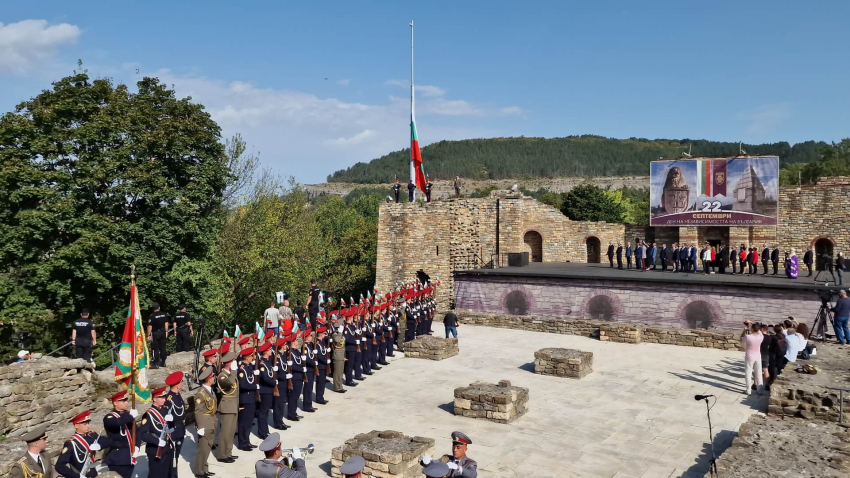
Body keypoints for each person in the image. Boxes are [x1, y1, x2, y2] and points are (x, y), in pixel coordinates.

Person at [56, 410, 110, 478]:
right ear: (76, 426)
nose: (88, 426)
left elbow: (108, 441)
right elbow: (59, 466)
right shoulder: (71, 443)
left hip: (93, 473)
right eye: (85, 424)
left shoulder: (91, 435)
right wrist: (77, 476)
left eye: (88, 423)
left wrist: (99, 445)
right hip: (80, 473)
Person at [137, 386, 176, 478]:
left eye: (164, 397)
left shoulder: (165, 409)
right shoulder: (148, 414)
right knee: (156, 474)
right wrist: (157, 441)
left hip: (167, 447)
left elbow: (171, 428)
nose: (164, 399)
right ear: (154, 399)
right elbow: (143, 434)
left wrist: (172, 421)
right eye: (161, 398)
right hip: (155, 449)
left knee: (167, 473)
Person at [103, 391, 138, 478]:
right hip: (117, 458)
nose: (126, 402)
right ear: (115, 403)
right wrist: (130, 416)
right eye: (123, 401)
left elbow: (137, 432)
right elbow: (117, 422)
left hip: (129, 456)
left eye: (126, 400)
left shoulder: (127, 415)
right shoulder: (109, 417)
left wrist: (137, 446)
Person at [193, 367, 218, 478]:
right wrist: (200, 426)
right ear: (208, 379)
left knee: (207, 448)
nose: (214, 378)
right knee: (203, 449)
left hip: (211, 421)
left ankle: (204, 469)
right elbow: (198, 411)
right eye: (212, 376)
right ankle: (199, 471)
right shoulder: (201, 393)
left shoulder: (209, 390)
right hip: (205, 423)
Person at [216, 349, 240, 462]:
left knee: (231, 432)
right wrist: (234, 371)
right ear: (229, 363)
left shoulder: (230, 374)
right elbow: (230, 383)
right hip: (226, 406)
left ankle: (228, 452)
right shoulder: (222, 376)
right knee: (225, 433)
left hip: (233, 405)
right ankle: (222, 455)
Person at [165, 371, 187, 473]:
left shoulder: (178, 395)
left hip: (180, 429)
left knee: (176, 456)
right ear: (177, 385)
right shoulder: (169, 398)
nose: (182, 383)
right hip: (174, 430)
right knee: (172, 457)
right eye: (181, 382)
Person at [236, 347, 257, 452]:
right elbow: (243, 385)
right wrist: (255, 387)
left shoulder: (248, 367)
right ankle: (242, 443)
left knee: (249, 422)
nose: (253, 357)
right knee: (244, 423)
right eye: (251, 356)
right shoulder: (242, 369)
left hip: (251, 398)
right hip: (245, 399)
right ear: (247, 357)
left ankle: (247, 441)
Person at [257, 342, 276, 438]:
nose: (271, 351)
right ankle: (262, 432)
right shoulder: (262, 363)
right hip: (265, 390)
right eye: (269, 350)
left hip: (269, 390)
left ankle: (265, 431)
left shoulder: (267, 361)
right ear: (266, 352)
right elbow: (265, 378)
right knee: (263, 412)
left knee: (266, 411)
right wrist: (274, 382)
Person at [740, 322, 764, 395]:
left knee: (748, 373)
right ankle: (759, 390)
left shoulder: (748, 337)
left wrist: (744, 330)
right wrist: (752, 322)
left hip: (749, 357)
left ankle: (748, 390)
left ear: (752, 329)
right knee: (759, 373)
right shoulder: (761, 336)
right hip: (758, 357)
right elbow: (759, 330)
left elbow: (741, 339)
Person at [147, 302, 170, 368]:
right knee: (163, 347)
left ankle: (156, 363)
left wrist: (148, 335)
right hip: (162, 332)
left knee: (155, 348)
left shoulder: (152, 316)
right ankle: (163, 362)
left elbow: (149, 326)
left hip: (155, 333)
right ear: (159, 307)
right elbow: (166, 323)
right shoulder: (163, 314)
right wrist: (166, 331)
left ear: (153, 309)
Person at [330, 318, 346, 393]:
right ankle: (337, 387)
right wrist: (340, 333)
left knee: (340, 373)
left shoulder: (340, 334)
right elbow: (337, 340)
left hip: (341, 355)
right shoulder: (335, 334)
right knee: (337, 373)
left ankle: (340, 386)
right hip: (337, 355)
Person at [314, 326, 330, 404]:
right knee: (320, 382)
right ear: (320, 334)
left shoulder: (322, 342)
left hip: (323, 365)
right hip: (320, 365)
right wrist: (326, 361)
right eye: (324, 333)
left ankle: (321, 396)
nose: (325, 335)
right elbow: (319, 356)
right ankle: (319, 398)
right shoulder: (317, 343)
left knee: (323, 382)